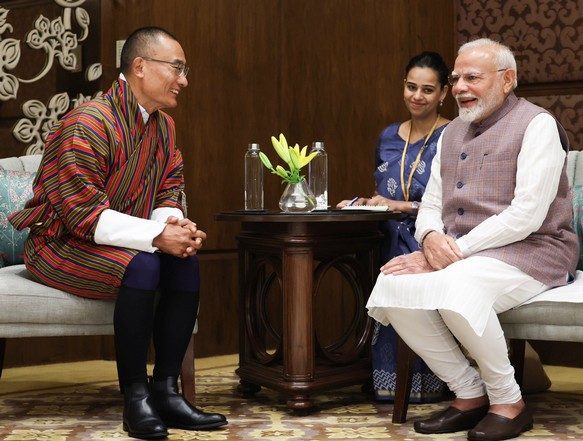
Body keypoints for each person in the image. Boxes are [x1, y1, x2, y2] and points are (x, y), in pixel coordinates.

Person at [9, 27, 227, 440]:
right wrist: (157, 236)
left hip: (113, 240)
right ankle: (135, 397)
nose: (184, 80)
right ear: (140, 67)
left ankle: (166, 391)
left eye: (185, 69)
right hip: (59, 243)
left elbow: (168, 187)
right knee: (145, 263)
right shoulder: (87, 122)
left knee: (185, 261)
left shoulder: (164, 127)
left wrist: (173, 225)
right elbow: (83, 215)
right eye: (177, 68)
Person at [366, 38, 578, 441]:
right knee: (392, 283)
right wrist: (429, 237)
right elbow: (432, 201)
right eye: (457, 78)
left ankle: (508, 402)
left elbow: (527, 213)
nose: (460, 87)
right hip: (465, 254)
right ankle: (469, 393)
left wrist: (452, 253)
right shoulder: (452, 133)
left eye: (473, 78)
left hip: (536, 249)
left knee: (457, 286)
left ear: (508, 79)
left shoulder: (537, 125)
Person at [337, 51, 450, 403]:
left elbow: (455, 201)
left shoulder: (453, 135)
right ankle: (385, 383)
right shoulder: (387, 135)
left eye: (428, 90)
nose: (417, 96)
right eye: (411, 87)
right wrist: (363, 203)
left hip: (429, 237)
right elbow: (383, 189)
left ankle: (435, 386)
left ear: (444, 93)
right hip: (385, 235)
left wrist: (404, 207)